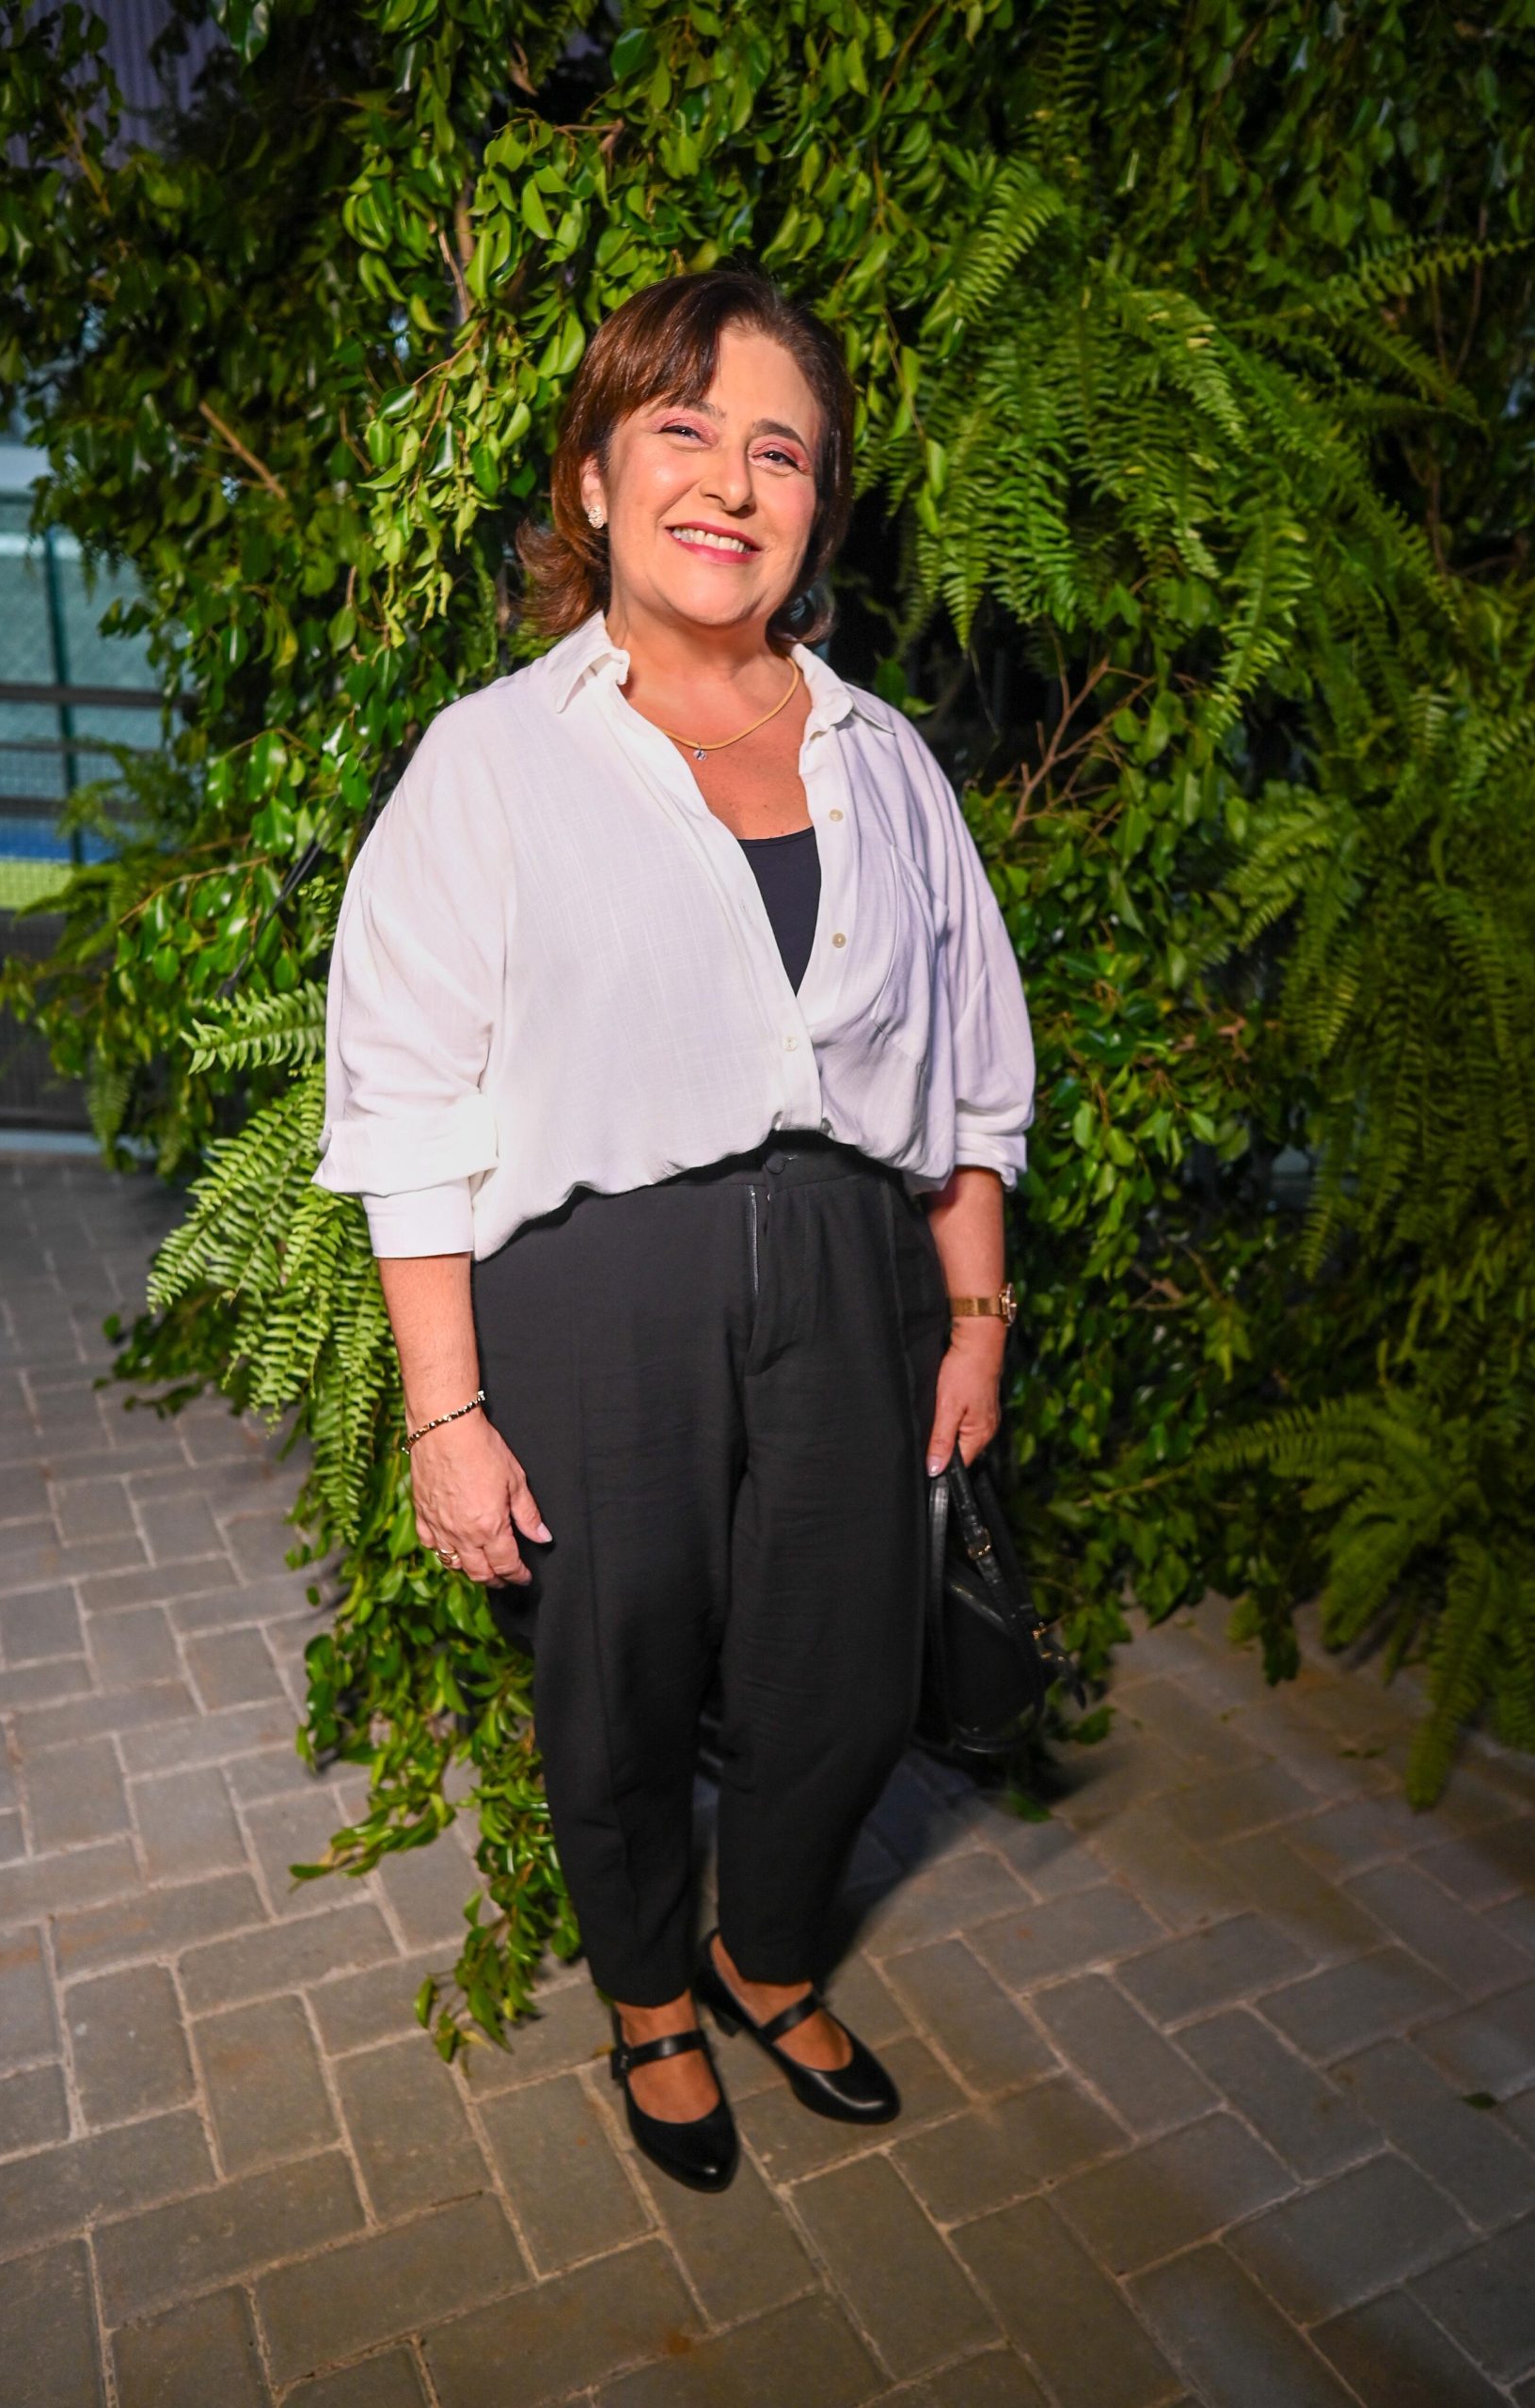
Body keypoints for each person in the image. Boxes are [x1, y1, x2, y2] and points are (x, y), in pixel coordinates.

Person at [316, 268, 1036, 2195]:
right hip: (595, 1289)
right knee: (618, 1676)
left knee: (846, 1673)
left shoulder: (885, 762)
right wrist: (447, 1413)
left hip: (853, 1270)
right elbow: (404, 1103)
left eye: (778, 449)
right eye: (684, 429)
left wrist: (974, 1317)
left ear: (817, 509)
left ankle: (765, 1952)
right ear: (595, 476)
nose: (730, 480)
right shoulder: (491, 760)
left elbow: (970, 1069)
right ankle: (649, 1993)